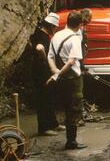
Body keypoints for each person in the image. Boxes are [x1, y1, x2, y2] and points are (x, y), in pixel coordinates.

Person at [47, 11, 87, 150]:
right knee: (74, 109)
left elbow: (50, 56)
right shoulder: (75, 38)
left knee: (64, 106)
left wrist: (55, 71)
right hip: (72, 78)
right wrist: (58, 74)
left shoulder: (57, 35)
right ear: (80, 24)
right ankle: (71, 142)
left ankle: (71, 140)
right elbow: (71, 62)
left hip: (60, 77)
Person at [31, 12, 65, 136]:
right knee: (44, 99)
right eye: (55, 27)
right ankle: (44, 128)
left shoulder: (38, 33)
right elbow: (39, 48)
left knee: (49, 97)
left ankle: (53, 124)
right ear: (50, 26)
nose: (55, 30)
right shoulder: (43, 36)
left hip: (40, 71)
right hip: (41, 72)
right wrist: (46, 60)